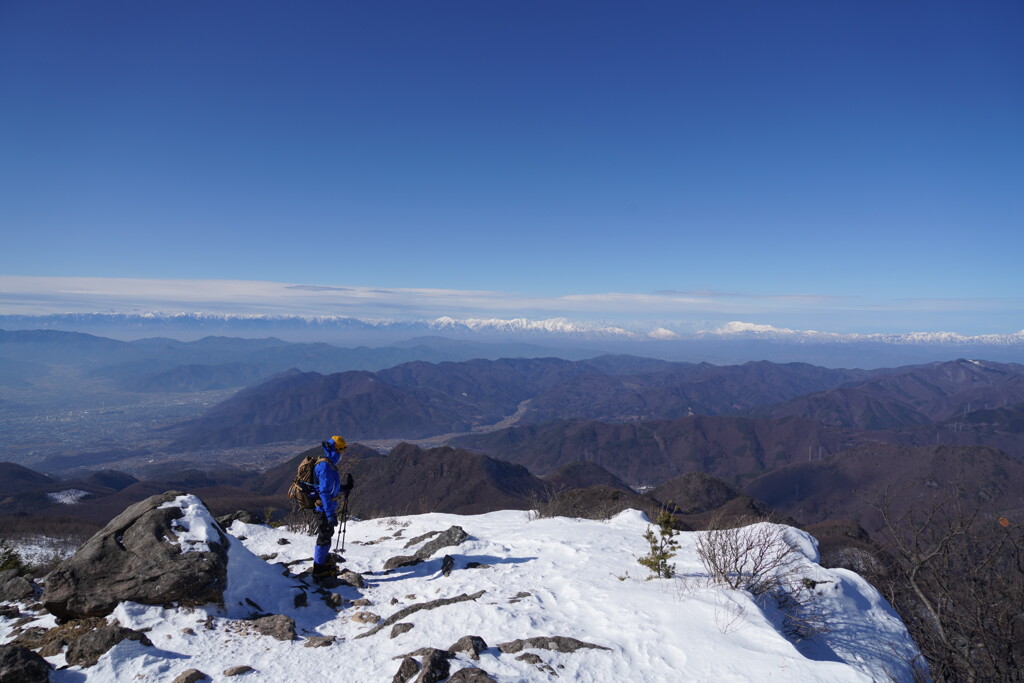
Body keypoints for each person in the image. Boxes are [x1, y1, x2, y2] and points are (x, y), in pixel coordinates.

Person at [310, 435, 353, 578]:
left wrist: (344, 488)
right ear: (337, 449)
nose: (343, 453)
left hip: (327, 507)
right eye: (342, 450)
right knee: (323, 536)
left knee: (327, 535)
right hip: (323, 508)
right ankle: (318, 569)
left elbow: (330, 487)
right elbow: (323, 492)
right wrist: (329, 514)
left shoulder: (329, 464)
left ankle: (321, 563)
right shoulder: (325, 467)